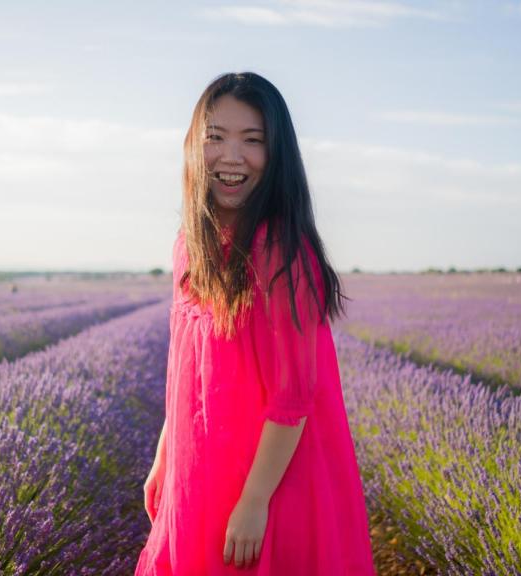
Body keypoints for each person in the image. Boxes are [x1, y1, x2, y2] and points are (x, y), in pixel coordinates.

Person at [135, 73, 375, 575]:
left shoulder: (279, 249)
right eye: (216, 137)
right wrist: (165, 456)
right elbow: (186, 372)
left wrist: (255, 501)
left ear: (277, 154)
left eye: (253, 141)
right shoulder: (191, 247)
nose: (231, 157)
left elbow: (294, 395)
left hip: (270, 483)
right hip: (201, 470)